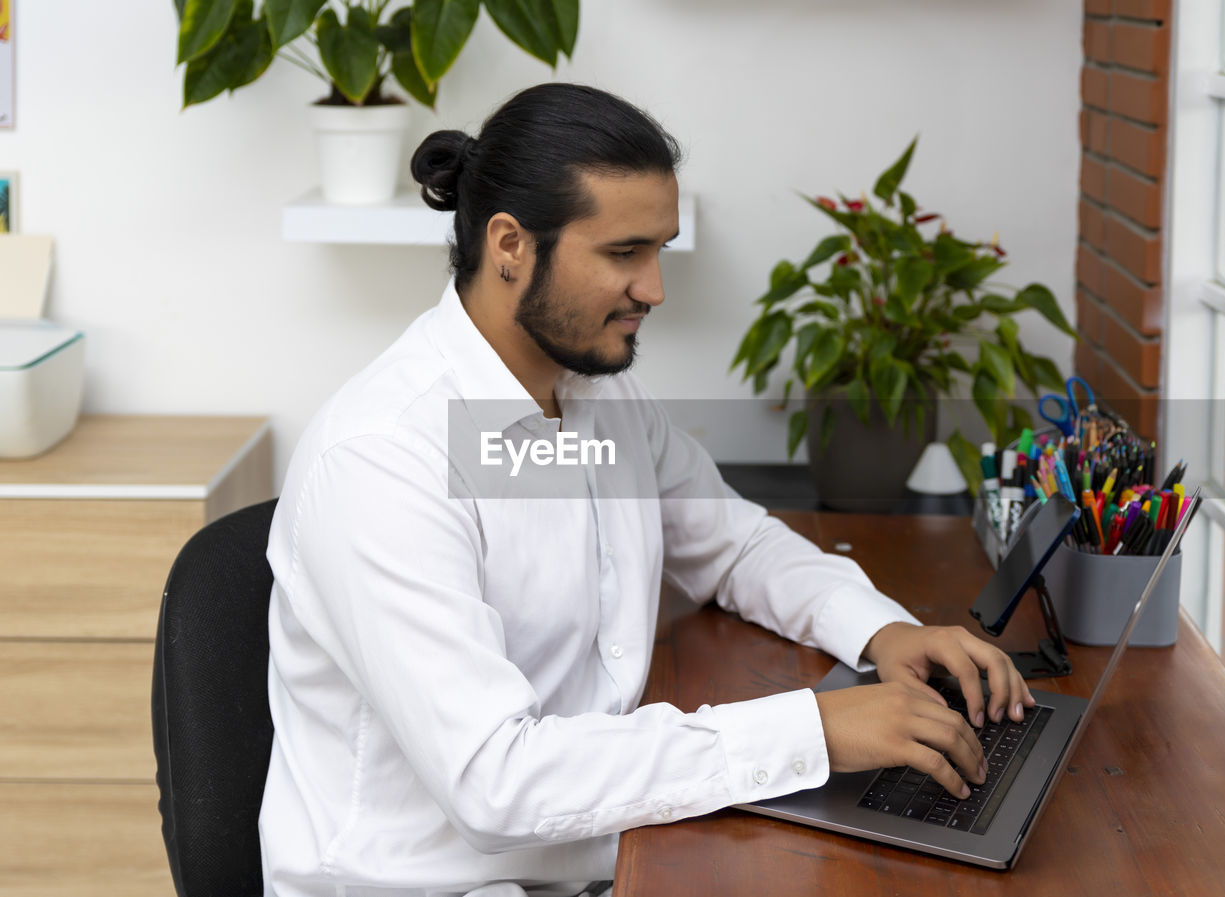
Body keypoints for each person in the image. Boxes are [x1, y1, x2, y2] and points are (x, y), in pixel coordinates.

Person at [259, 83, 1034, 897]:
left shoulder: (591, 394)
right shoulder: (384, 458)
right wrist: (813, 728)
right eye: (624, 253)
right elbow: (498, 781)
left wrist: (881, 632)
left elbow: (732, 543)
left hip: (605, 850)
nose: (655, 289)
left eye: (659, 249)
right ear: (510, 244)